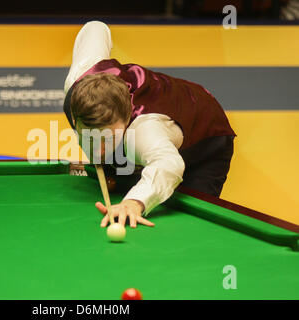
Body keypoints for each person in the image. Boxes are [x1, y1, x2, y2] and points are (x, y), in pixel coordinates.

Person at [63, 21, 236, 228]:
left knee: (186, 225)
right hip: (150, 136)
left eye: (107, 139)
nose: (98, 151)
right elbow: (95, 27)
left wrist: (134, 202)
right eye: (89, 138)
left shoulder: (144, 130)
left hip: (206, 139)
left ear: (125, 121)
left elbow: (169, 165)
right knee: (123, 169)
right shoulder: (79, 82)